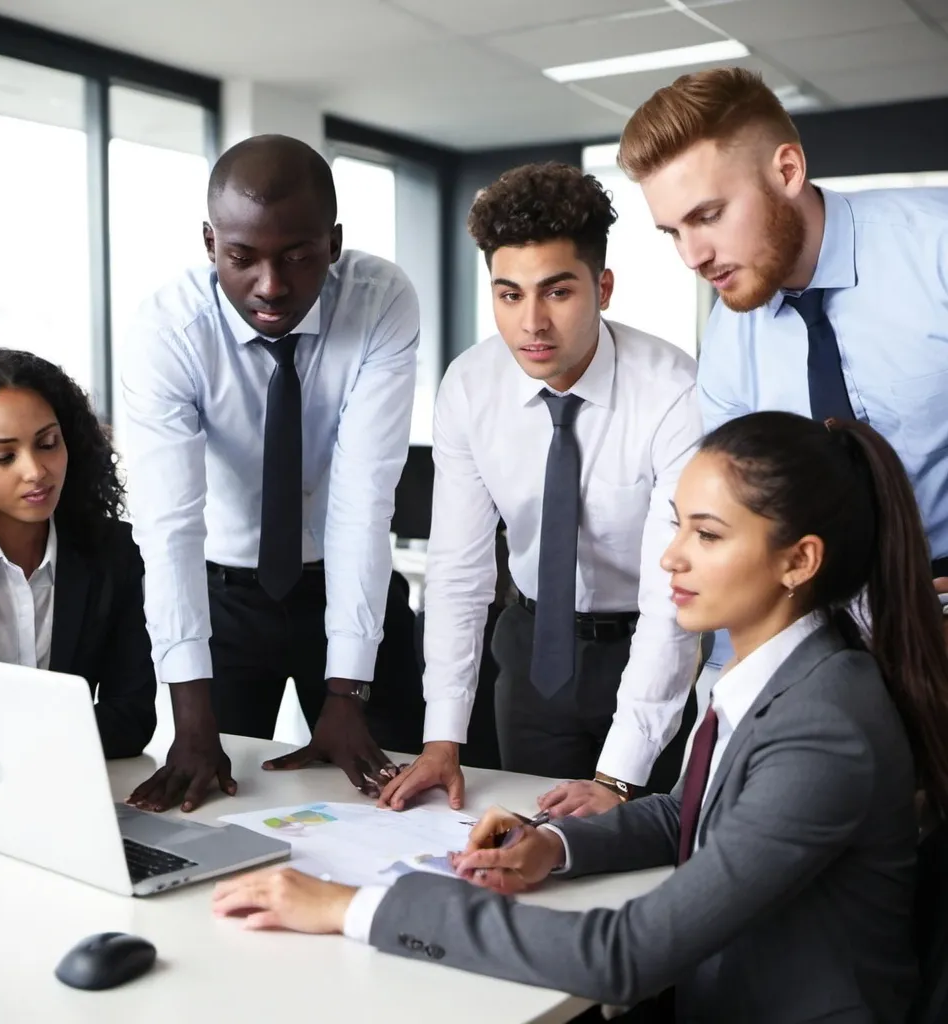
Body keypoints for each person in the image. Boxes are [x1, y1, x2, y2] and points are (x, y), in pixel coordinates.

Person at [212, 410, 948, 1023]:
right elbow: (700, 817)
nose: (671, 559)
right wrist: (554, 844)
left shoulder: (827, 724)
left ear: (799, 561)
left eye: (708, 534)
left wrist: (356, 908)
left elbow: (624, 954)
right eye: (677, 526)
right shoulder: (790, 668)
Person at [379, 163, 701, 818]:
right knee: (524, 840)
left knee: (643, 849)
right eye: (509, 294)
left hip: (648, 647)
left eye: (557, 293)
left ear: (602, 287)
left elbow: (672, 597)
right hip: (530, 654)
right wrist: (442, 737)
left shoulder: (675, 391)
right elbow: (460, 571)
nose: (532, 323)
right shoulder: (471, 387)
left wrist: (617, 780)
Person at [121, 134, 425, 814]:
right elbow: (168, 527)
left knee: (397, 803)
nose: (271, 285)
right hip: (223, 602)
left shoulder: (380, 301)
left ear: (334, 241)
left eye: (298, 255)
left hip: (346, 585)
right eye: (242, 257)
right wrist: (191, 718)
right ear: (209, 243)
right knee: (220, 804)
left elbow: (362, 500)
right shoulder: (168, 331)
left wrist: (347, 691)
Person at [615, 65, 948, 678]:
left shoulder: (935, 246)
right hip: (831, 643)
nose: (693, 256)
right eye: (673, 233)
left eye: (709, 215)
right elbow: (735, 527)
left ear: (787, 171)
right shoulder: (727, 340)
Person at [0, 350, 156, 759]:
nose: (35, 471)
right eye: (4, 456)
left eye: (48, 444)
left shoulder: (112, 552)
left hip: (66, 784)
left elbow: (132, 718)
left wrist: (20, 744)